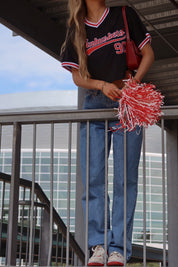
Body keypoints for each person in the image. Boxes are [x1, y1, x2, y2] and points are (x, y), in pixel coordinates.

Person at [60, 0, 154, 265]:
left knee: (126, 180)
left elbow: (148, 54)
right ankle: (98, 246)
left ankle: (119, 250)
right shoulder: (77, 28)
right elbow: (77, 77)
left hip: (129, 100)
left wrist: (133, 86)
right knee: (93, 178)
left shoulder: (124, 14)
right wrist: (101, 85)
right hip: (94, 102)